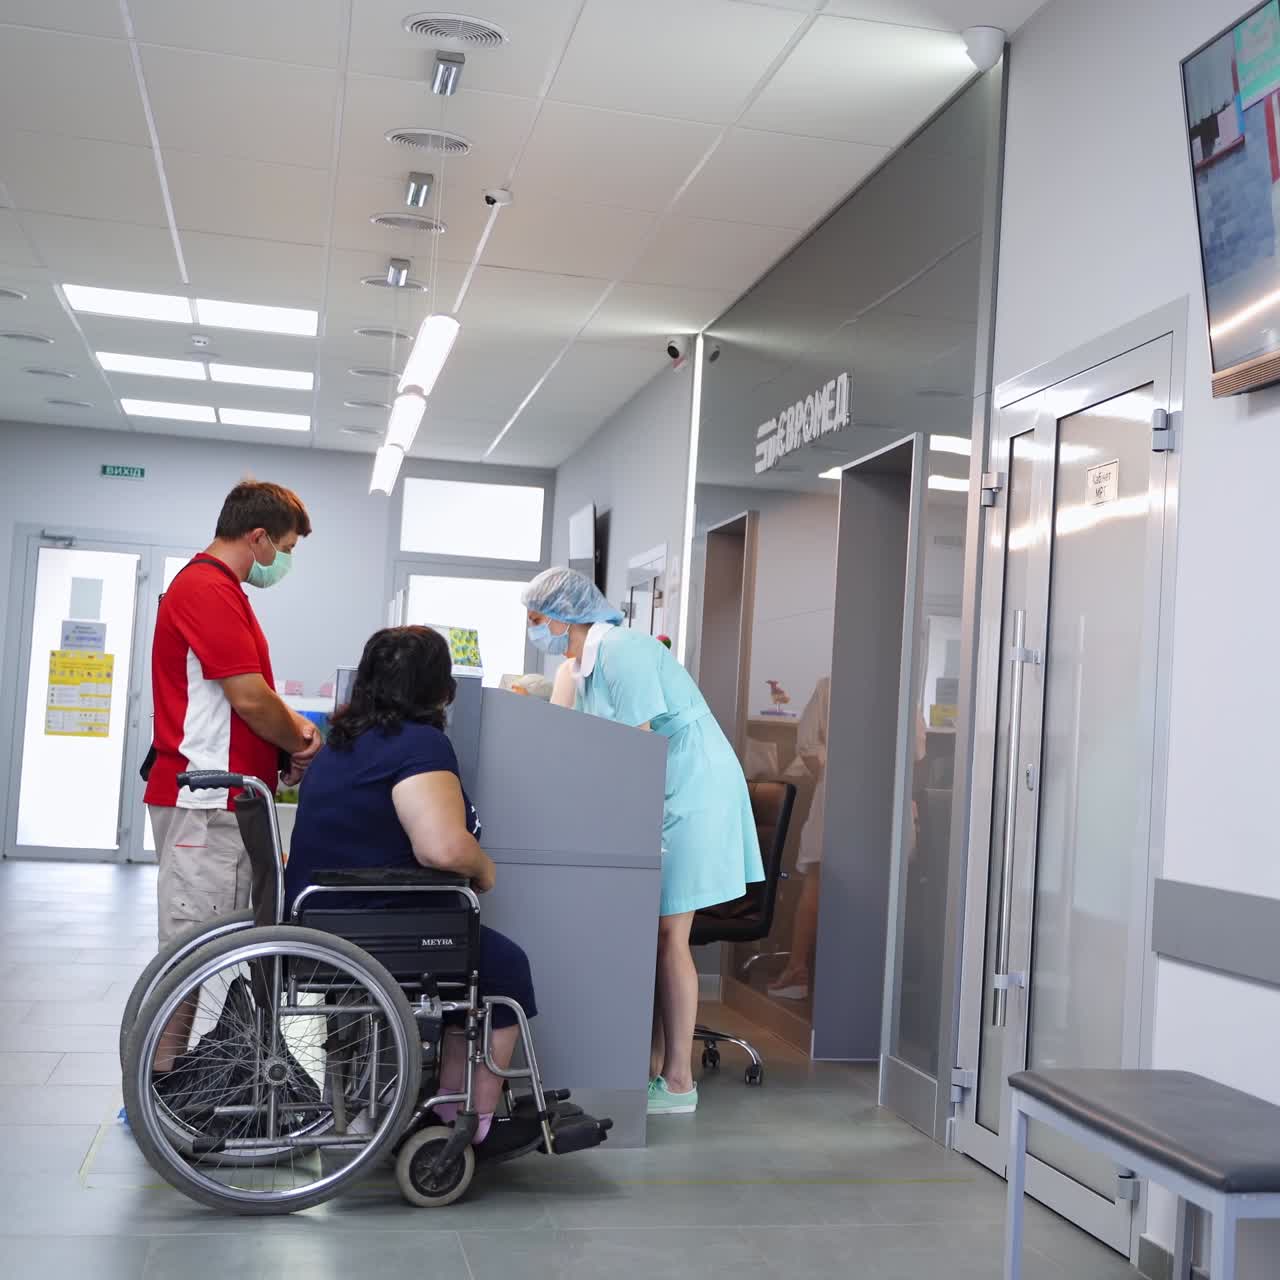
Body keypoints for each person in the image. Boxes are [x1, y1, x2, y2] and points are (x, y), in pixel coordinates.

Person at [284, 625, 540, 1151]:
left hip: (318, 927)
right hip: (378, 930)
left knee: (463, 962)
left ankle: (426, 1102)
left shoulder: (341, 747)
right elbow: (441, 850)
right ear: (440, 690)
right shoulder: (419, 745)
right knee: (505, 968)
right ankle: (464, 1123)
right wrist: (485, 869)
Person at [523, 567, 764, 1117]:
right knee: (655, 931)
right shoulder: (583, 665)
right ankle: (652, 1066)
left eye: (537, 618)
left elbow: (635, 745)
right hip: (665, 792)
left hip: (692, 793)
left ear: (563, 615)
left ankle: (678, 1081)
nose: (535, 629)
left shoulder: (624, 651)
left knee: (668, 931)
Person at [145, 480, 321, 1067]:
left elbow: (249, 698)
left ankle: (162, 1083)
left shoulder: (224, 591)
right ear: (258, 537)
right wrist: (299, 736)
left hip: (227, 798)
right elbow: (249, 698)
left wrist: (286, 743)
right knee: (191, 951)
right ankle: (157, 1086)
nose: (285, 561)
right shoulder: (206, 589)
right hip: (206, 799)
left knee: (202, 946)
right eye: (286, 548)